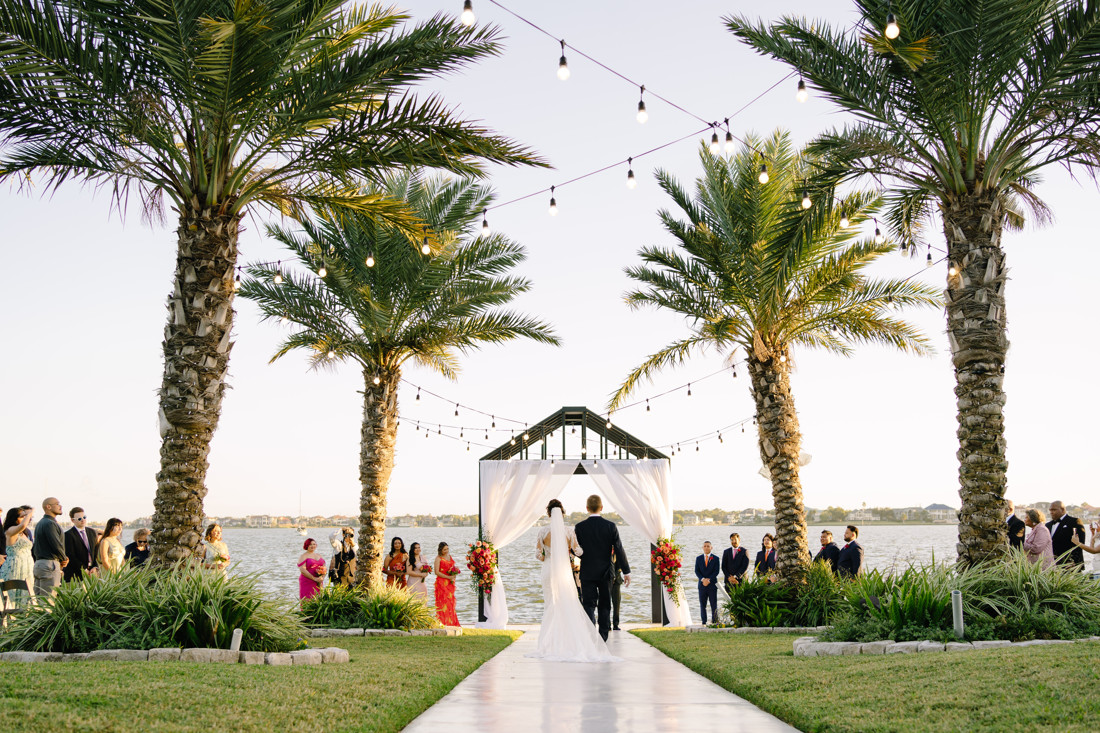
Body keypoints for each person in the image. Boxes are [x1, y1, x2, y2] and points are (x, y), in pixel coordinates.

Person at [526, 500, 616, 662]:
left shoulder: (542, 532)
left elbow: (538, 555)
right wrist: (571, 551)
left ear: (548, 514)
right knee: (567, 602)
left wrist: (548, 556)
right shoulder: (568, 531)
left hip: (548, 570)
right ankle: (569, 641)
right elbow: (579, 551)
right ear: (563, 513)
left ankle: (549, 643)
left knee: (550, 604)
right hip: (564, 570)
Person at [574, 494, 630, 642]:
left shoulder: (579, 527)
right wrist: (626, 571)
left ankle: (590, 633)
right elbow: (619, 548)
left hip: (587, 572)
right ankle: (603, 637)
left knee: (588, 604)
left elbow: (576, 550)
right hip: (606, 572)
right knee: (605, 605)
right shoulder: (610, 526)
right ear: (602, 508)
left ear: (587, 508)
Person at [31, 497, 68, 598]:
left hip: (39, 564)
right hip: (49, 565)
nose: (60, 506)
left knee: (39, 600)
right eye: (57, 504)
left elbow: (35, 547)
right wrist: (64, 558)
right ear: (48, 507)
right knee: (49, 601)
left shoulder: (39, 524)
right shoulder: (50, 524)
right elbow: (56, 544)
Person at [1, 506, 35, 607]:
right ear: (14, 518)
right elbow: (23, 525)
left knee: (27, 594)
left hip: (27, 566)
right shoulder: (10, 530)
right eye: (22, 516)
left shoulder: (24, 532)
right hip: (15, 566)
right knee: (13, 595)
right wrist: (30, 512)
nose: (25, 518)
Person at [1046, 501, 1085, 569]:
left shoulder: (1074, 522)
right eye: (1050, 510)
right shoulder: (1047, 525)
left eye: (1054, 510)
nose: (1051, 512)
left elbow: (1080, 544)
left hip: (1071, 567)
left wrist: (1072, 563)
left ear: (1063, 509)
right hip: (1052, 566)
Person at [63, 507, 98, 581]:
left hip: (92, 572)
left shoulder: (92, 532)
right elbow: (71, 556)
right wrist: (84, 569)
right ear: (73, 520)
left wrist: (95, 567)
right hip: (76, 575)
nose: (83, 520)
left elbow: (95, 551)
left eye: (84, 517)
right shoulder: (68, 535)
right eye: (79, 519)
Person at [433, 542, 461, 626]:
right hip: (442, 582)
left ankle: (451, 622)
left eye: (447, 549)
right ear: (440, 550)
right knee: (443, 602)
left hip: (450, 583)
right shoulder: (438, 558)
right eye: (444, 549)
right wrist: (448, 577)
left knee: (450, 601)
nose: (446, 551)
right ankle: (443, 622)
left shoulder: (449, 557)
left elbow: (452, 568)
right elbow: (436, 572)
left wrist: (454, 574)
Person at [695, 541, 720, 625]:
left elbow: (716, 571)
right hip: (702, 585)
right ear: (702, 548)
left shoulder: (716, 558)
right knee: (702, 604)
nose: (706, 547)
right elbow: (696, 571)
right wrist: (703, 579)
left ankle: (714, 620)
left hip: (712, 585)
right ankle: (704, 621)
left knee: (713, 604)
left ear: (711, 547)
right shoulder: (698, 558)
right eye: (705, 546)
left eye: (708, 546)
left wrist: (708, 580)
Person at [609, 547, 624, 631]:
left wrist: (614, 577)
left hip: (617, 582)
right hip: (606, 581)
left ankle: (616, 624)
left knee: (616, 603)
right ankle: (607, 624)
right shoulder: (604, 552)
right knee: (606, 604)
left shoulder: (618, 553)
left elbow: (620, 566)